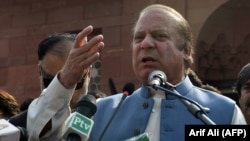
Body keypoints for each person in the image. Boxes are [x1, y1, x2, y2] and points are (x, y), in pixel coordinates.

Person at [26, 4, 246, 141]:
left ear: (187, 51)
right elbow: (40, 135)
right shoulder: (99, 112)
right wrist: (65, 81)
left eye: (159, 36)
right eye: (139, 38)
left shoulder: (223, 114)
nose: (146, 44)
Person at [26, 26, 104, 141]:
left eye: (76, 81)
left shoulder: (109, 117)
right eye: (52, 82)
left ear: (88, 74)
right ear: (40, 73)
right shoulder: (17, 126)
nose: (69, 94)